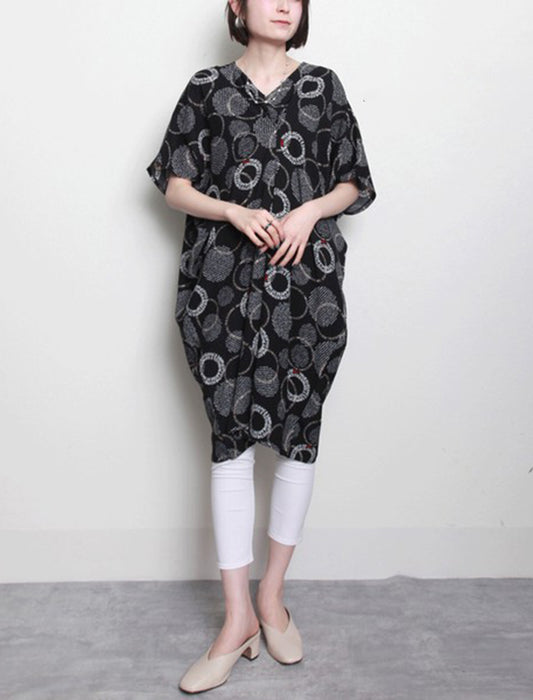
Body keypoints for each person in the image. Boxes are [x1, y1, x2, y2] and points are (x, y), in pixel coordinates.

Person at [146, 0, 377, 693]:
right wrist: (230, 210)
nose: (283, 4)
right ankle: (237, 617)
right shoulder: (206, 88)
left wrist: (309, 210)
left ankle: (272, 598)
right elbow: (174, 183)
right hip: (219, 288)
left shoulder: (324, 86)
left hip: (308, 289)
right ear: (236, 6)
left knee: (299, 436)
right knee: (230, 442)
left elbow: (353, 181)